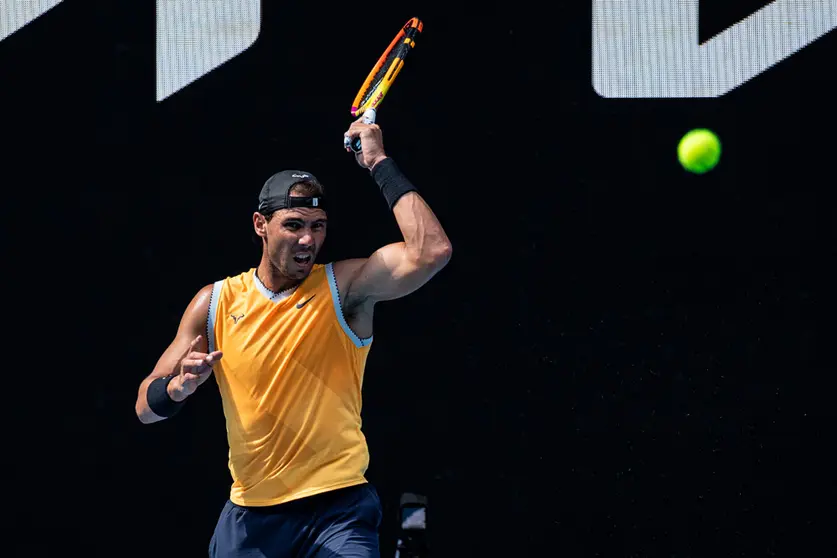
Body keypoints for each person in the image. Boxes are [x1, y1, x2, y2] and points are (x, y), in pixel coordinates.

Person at [134, 119, 452, 558]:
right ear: (260, 224)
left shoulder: (346, 289)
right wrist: (177, 389)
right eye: (294, 225)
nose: (308, 239)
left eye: (318, 226)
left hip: (338, 509)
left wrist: (378, 162)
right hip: (251, 518)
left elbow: (431, 251)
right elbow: (144, 410)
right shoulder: (214, 303)